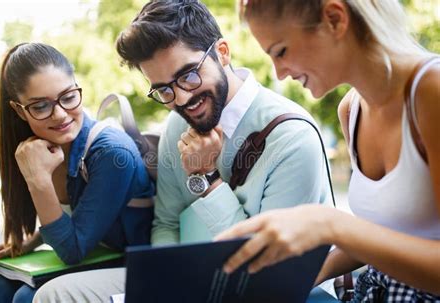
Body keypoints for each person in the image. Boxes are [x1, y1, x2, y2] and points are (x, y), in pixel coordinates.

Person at [33, 0, 334, 301]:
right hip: (186, 283)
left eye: (188, 74)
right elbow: (166, 223)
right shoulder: (178, 124)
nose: (182, 98)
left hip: (265, 290)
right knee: (52, 295)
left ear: (223, 53)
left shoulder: (292, 138)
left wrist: (206, 177)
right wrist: (169, 283)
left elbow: (265, 271)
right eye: (164, 89)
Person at [216, 0, 440, 301]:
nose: (280, 74)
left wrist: (330, 225)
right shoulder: (352, 110)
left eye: (281, 51)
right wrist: (296, 277)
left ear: (335, 19)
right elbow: (387, 235)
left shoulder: (431, 92)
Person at [0, 42, 155, 303]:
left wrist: (39, 180)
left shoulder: (112, 153)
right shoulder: (41, 147)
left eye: (68, 96)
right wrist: (32, 241)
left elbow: (72, 250)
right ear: (19, 111)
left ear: (77, 87)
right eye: (40, 106)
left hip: (131, 262)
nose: (60, 114)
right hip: (97, 251)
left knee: (26, 298)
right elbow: (83, 214)